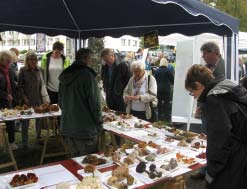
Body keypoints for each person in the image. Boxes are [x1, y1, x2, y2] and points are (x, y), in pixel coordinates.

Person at [185, 64, 247, 189]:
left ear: (198, 85)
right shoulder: (224, 87)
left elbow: (220, 142)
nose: (194, 96)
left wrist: (211, 173)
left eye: (192, 92)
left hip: (233, 158)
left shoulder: (214, 99)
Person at [191, 41, 226, 179]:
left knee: (217, 141)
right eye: (203, 54)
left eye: (205, 53)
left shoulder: (226, 67)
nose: (203, 56)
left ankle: (215, 170)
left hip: (219, 111)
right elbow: (201, 89)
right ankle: (204, 170)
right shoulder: (205, 68)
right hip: (206, 110)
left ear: (214, 52)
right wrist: (199, 106)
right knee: (206, 140)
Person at [59, 48, 103, 157]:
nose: (91, 61)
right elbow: (95, 104)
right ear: (87, 59)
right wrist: (99, 122)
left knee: (75, 164)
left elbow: (60, 102)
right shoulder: (87, 75)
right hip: (85, 129)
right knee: (88, 166)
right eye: (91, 59)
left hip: (68, 127)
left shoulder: (65, 74)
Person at [101, 48, 131, 145]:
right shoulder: (105, 66)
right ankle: (114, 141)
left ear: (113, 56)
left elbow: (128, 81)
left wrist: (124, 94)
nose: (106, 62)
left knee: (120, 119)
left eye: (107, 60)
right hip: (110, 96)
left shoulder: (123, 65)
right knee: (111, 118)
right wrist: (106, 90)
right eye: (104, 60)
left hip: (120, 97)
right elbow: (104, 78)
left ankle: (120, 141)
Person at [18, 51, 44, 148]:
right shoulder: (23, 70)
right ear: (27, 60)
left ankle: (38, 138)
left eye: (35, 59)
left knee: (39, 120)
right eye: (31, 59)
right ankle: (25, 142)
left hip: (38, 99)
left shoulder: (40, 70)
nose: (33, 61)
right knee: (25, 121)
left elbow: (41, 85)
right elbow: (19, 86)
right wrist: (24, 98)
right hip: (26, 100)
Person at [0, 50, 18, 150]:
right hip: (2, 99)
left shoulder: (9, 69)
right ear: (2, 59)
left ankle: (11, 143)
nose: (9, 62)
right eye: (8, 60)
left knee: (11, 120)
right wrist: (5, 95)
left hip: (9, 99)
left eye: (10, 60)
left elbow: (12, 82)